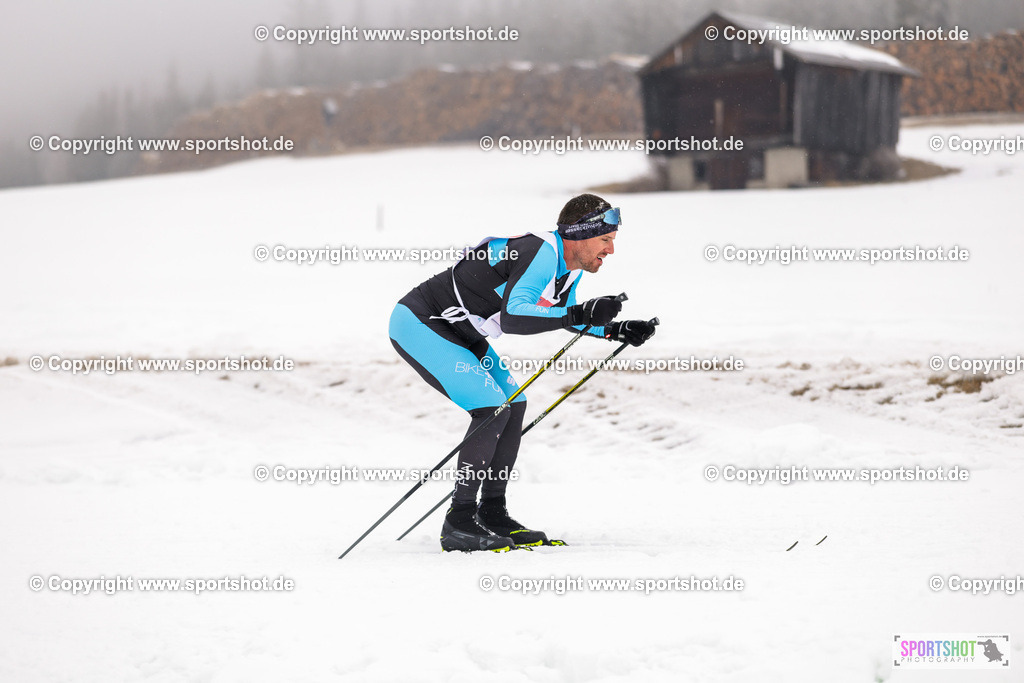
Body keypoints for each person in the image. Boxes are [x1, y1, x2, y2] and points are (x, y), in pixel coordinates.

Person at [388, 194, 657, 552]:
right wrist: (580, 315)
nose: (610, 250)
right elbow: (515, 318)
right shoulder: (541, 252)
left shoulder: (567, 267)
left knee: (514, 404)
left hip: (462, 331)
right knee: (491, 407)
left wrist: (614, 330)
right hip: (421, 323)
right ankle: (459, 522)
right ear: (581, 234)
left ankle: (492, 514)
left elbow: (562, 314)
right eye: (605, 240)